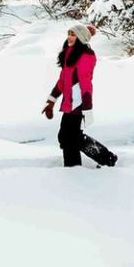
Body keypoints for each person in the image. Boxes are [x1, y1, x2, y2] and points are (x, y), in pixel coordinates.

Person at [42, 25, 118, 167]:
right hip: (68, 103)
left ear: (81, 37)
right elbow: (62, 82)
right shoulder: (69, 54)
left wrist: (87, 107)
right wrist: (51, 101)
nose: (70, 37)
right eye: (69, 34)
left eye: (73, 34)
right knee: (68, 137)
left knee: (69, 137)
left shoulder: (85, 56)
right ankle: (77, 165)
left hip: (78, 103)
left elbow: (85, 82)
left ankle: (101, 160)